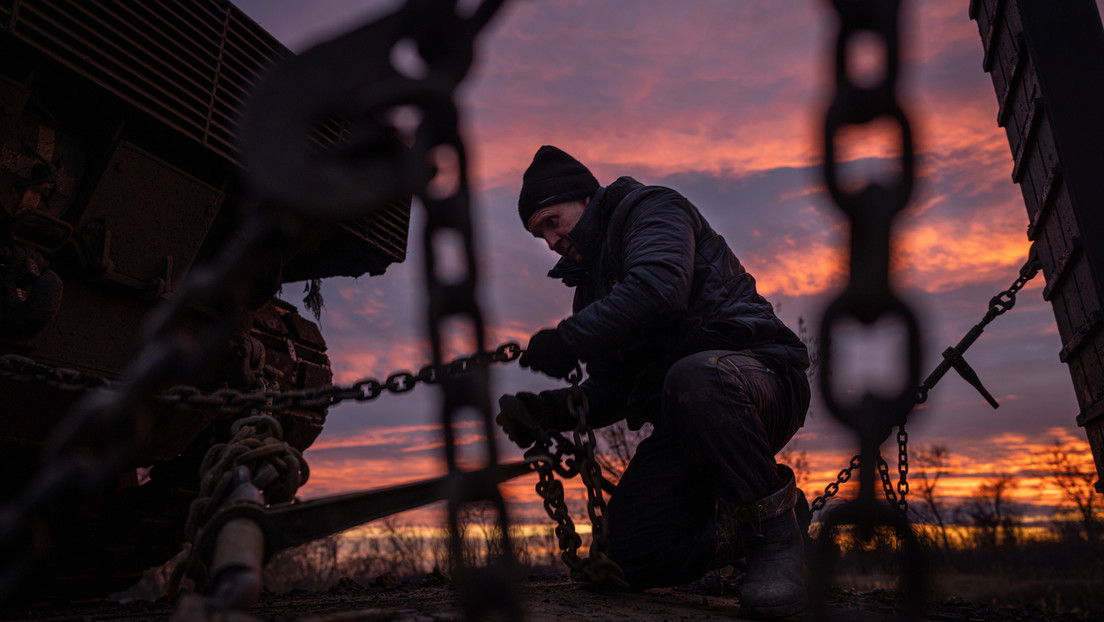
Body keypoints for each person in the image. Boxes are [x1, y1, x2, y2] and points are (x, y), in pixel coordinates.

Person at [496, 145, 812, 618]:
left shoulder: (652, 210)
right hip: (685, 416)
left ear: (584, 199)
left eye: (551, 221)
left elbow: (660, 287)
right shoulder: (592, 293)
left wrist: (568, 339)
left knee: (696, 380)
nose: (550, 240)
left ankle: (777, 540)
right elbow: (616, 390)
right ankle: (753, 526)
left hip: (758, 379)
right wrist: (547, 413)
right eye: (539, 233)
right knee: (630, 555)